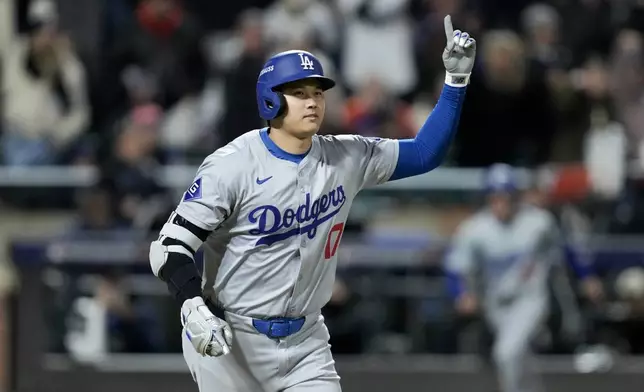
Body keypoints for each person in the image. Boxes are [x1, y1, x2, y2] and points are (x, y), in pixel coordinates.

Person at [149, 15, 475, 392]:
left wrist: (455, 82)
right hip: (231, 338)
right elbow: (169, 248)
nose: (313, 102)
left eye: (318, 93)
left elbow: (424, 152)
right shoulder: (232, 165)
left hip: (306, 340)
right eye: (299, 93)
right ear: (271, 99)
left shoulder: (346, 156)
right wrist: (192, 306)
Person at [445, 163, 602, 392]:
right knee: (520, 362)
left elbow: (567, 250)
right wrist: (460, 294)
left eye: (506, 196)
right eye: (495, 196)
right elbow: (454, 267)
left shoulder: (538, 222)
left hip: (530, 299)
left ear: (515, 196)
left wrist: (586, 277)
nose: (500, 202)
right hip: (495, 303)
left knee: (505, 354)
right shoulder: (475, 229)